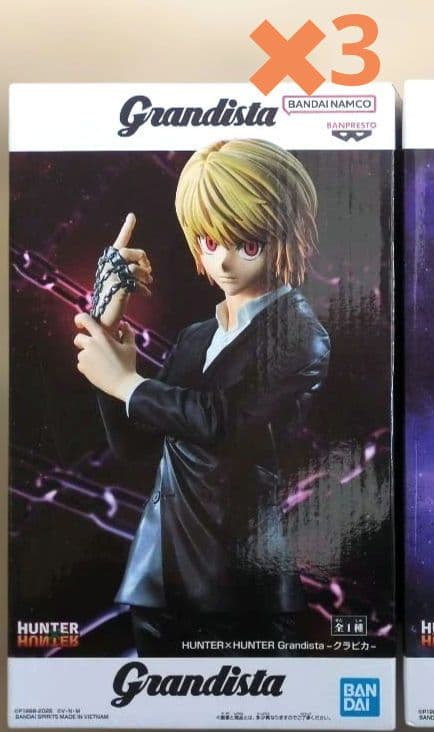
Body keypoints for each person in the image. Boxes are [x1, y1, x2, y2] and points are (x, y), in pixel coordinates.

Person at [73, 138, 331, 655]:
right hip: (157, 579)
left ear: (287, 232)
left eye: (247, 244)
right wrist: (109, 333)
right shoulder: (197, 338)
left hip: (239, 589)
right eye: (211, 242)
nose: (225, 261)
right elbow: (136, 445)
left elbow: (222, 422)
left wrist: (127, 382)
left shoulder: (301, 334)